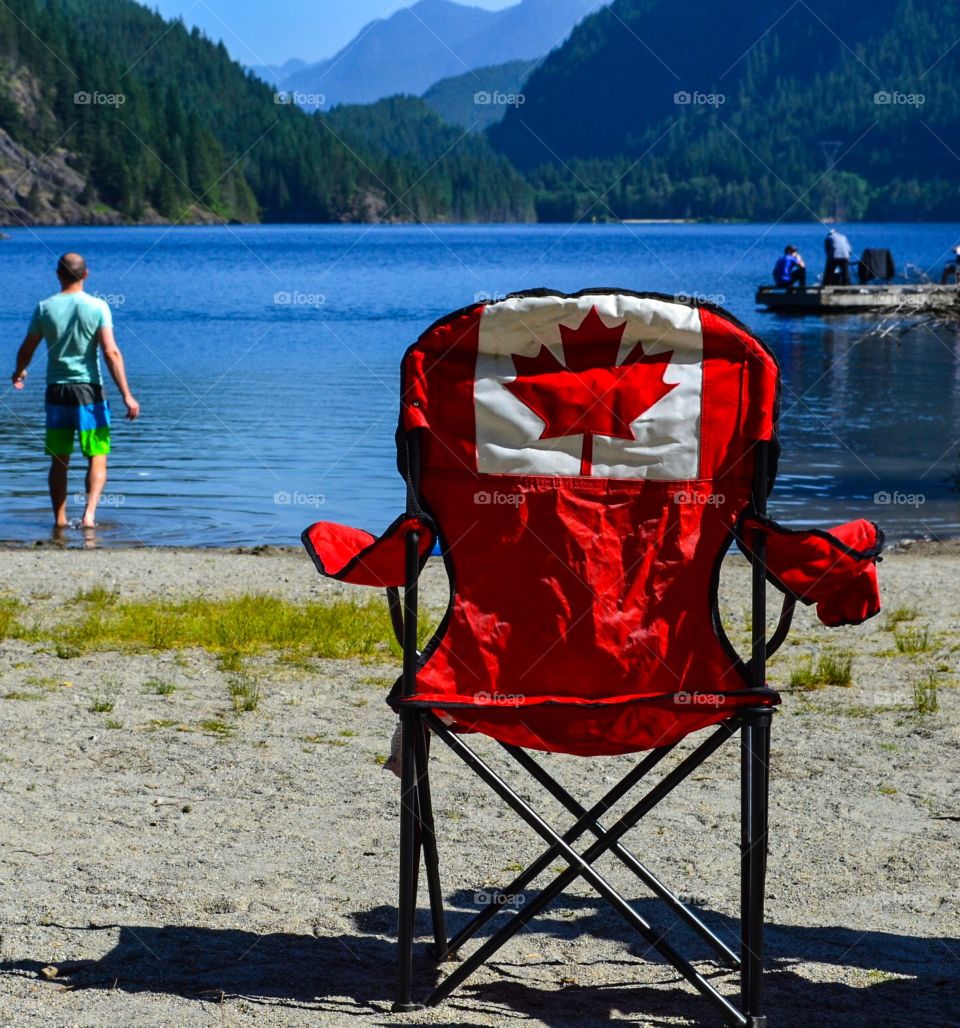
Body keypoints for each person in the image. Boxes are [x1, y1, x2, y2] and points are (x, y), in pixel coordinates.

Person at [11, 253, 140, 530]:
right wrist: (127, 395)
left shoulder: (44, 308)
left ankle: (59, 520)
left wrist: (19, 370)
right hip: (89, 392)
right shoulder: (98, 307)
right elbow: (111, 352)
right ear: (86, 274)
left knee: (59, 459)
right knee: (97, 454)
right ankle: (89, 516)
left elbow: (26, 349)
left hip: (56, 392)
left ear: (58, 274)